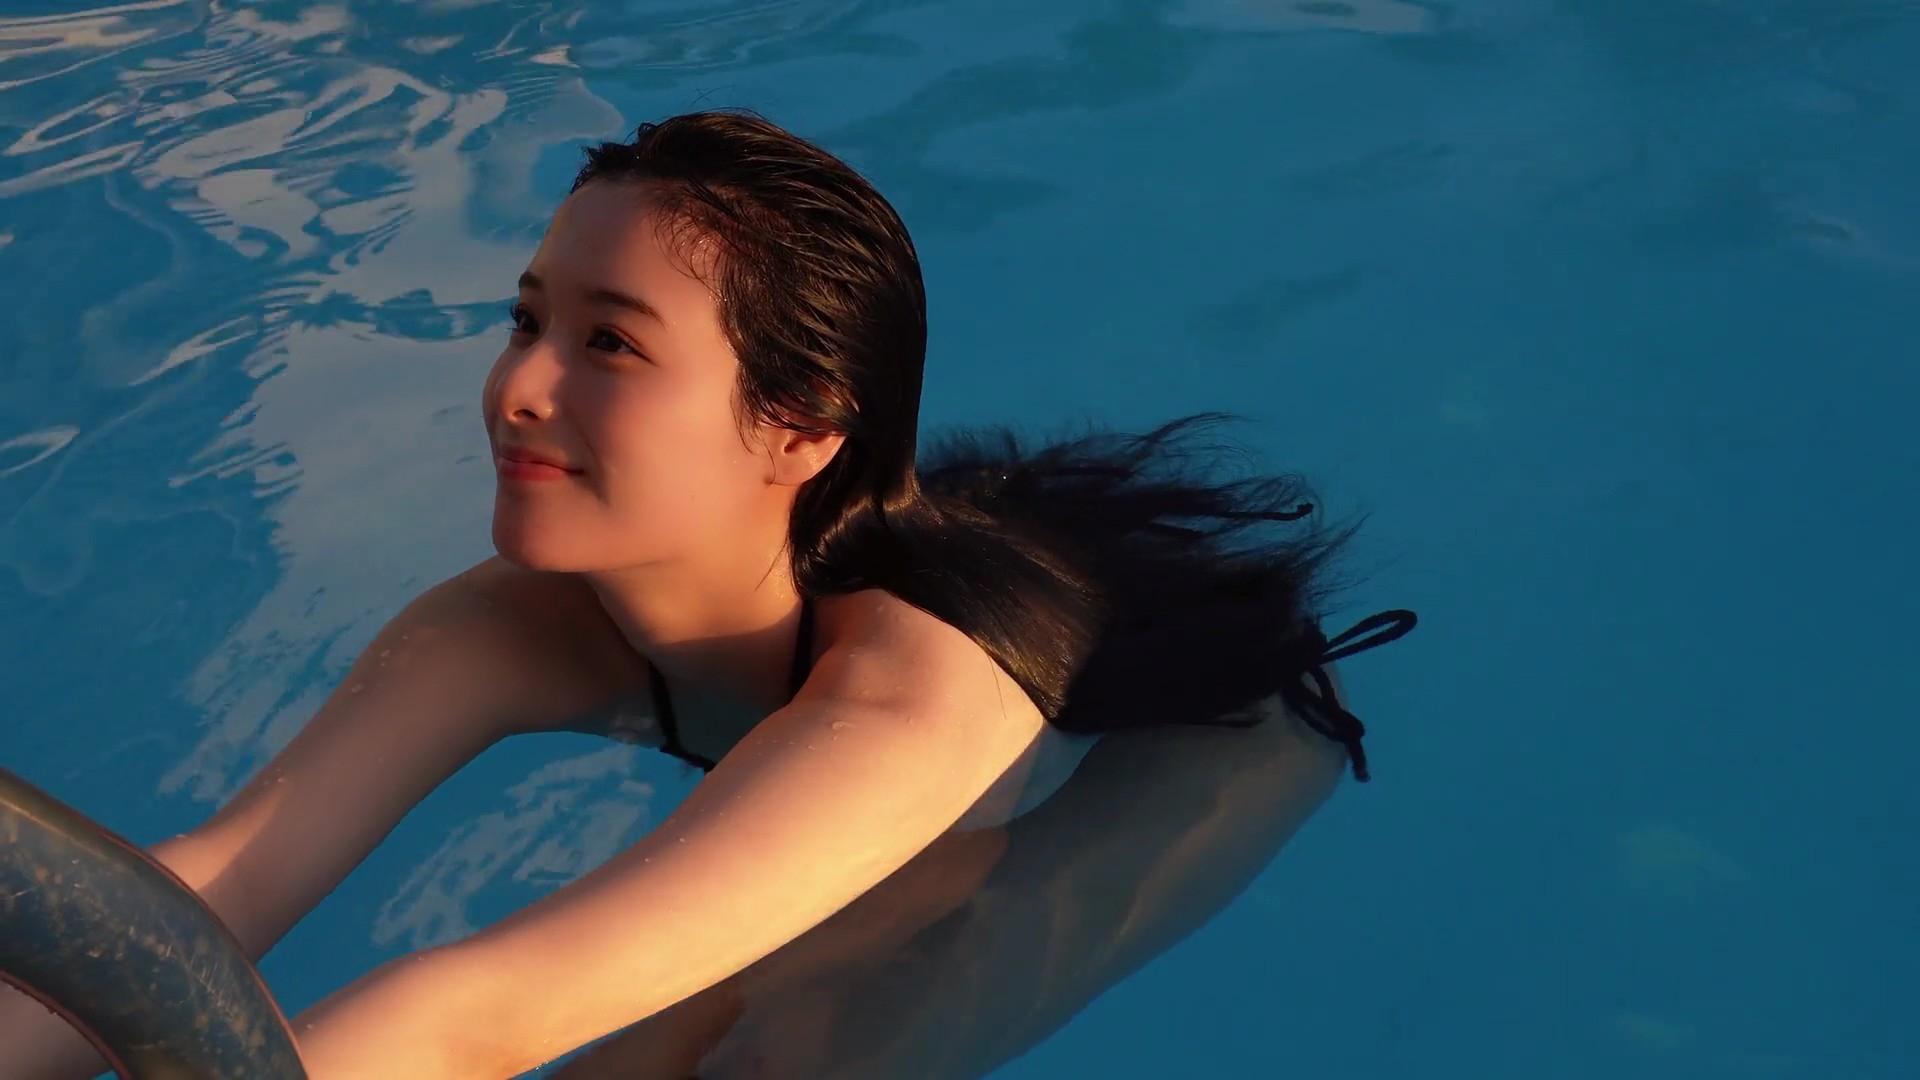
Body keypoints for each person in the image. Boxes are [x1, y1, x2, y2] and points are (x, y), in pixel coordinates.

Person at [0, 110, 1413, 1079]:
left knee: (776, 1054)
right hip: (872, 620)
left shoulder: (912, 698)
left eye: (610, 344)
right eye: (528, 319)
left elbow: (480, 1016)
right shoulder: (507, 624)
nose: (518, 387)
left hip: (1181, 736)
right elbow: (212, 886)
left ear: (798, 429)